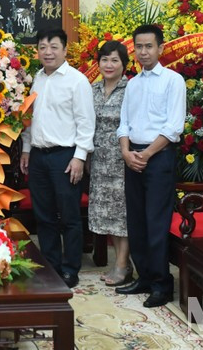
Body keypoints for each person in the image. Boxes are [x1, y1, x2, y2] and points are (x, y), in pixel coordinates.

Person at [115, 24, 186, 308]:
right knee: (137, 221)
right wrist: (127, 153)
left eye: (149, 46)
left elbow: (173, 127)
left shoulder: (173, 80)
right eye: (139, 47)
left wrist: (146, 154)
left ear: (161, 48)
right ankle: (144, 276)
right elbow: (124, 124)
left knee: (156, 223)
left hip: (159, 158)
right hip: (132, 157)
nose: (143, 52)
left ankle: (161, 284)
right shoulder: (132, 84)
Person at [19, 28, 96, 288]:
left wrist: (80, 157)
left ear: (65, 50)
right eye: (42, 46)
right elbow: (30, 119)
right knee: (44, 215)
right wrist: (27, 149)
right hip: (39, 156)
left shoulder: (77, 81)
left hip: (66, 156)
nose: (48, 51)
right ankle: (50, 264)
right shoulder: (37, 79)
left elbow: (86, 123)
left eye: (53, 46)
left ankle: (70, 268)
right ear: (37, 51)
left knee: (70, 216)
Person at [88, 40, 132, 286]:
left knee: (121, 217)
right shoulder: (92, 89)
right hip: (98, 160)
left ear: (124, 64)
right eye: (105, 59)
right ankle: (123, 263)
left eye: (115, 60)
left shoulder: (131, 89)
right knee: (108, 216)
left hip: (122, 159)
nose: (109, 64)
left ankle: (122, 265)